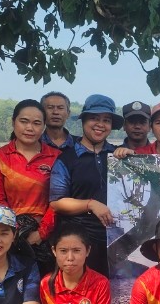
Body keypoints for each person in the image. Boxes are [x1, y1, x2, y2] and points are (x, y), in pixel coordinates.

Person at [49, 94, 120, 276]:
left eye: (106, 120)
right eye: (94, 118)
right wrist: (90, 204)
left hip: (117, 239)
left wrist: (131, 158)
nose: (100, 124)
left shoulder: (118, 156)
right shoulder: (67, 158)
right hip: (80, 241)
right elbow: (57, 202)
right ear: (83, 121)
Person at [0, 100, 61, 266]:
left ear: (43, 127)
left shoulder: (56, 157)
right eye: (24, 121)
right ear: (13, 122)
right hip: (9, 235)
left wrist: (41, 233)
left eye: (36, 123)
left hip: (47, 237)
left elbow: (58, 201)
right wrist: (14, 234)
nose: (30, 128)